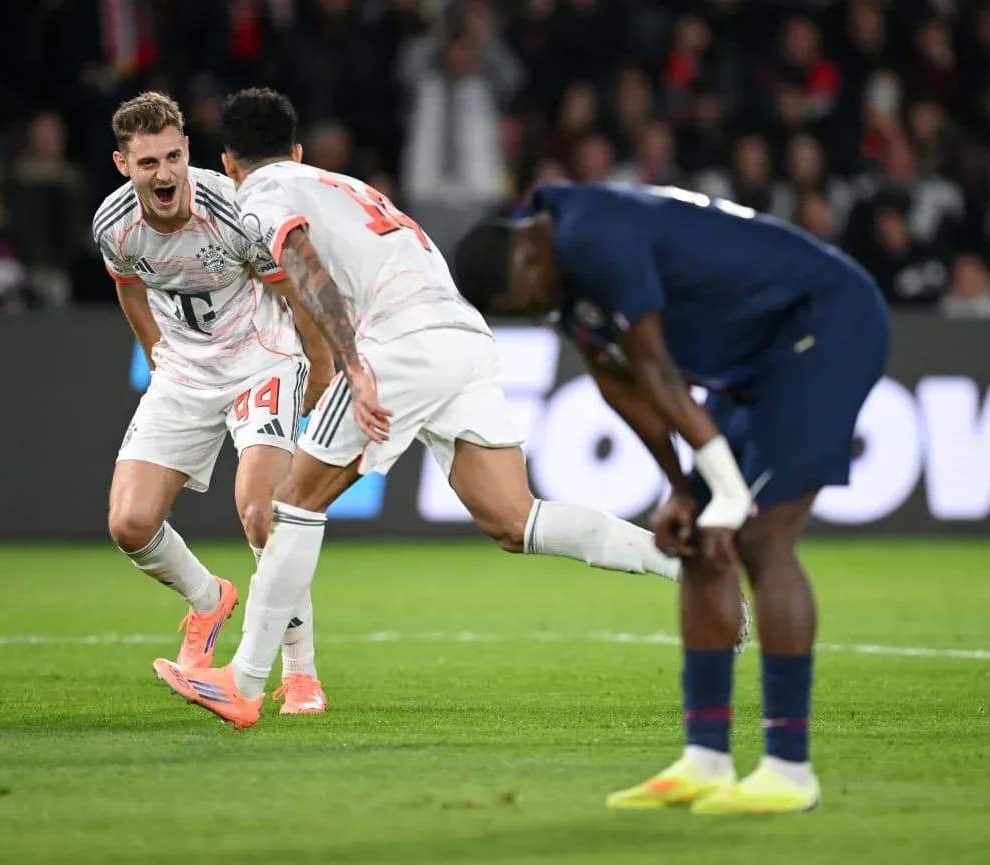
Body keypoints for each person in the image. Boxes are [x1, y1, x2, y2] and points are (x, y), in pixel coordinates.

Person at [150, 87, 735, 730]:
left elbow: (301, 260)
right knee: (516, 520)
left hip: (397, 343)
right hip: (462, 336)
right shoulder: (343, 186)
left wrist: (350, 363)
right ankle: (691, 568)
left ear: (228, 164)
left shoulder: (260, 194)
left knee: (292, 503)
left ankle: (245, 681)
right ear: (296, 149)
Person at [453, 182, 890, 814]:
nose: (533, 312)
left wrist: (729, 494)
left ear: (529, 259)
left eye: (526, 304)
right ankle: (706, 759)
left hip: (826, 325)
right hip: (756, 361)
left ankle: (789, 770)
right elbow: (618, 381)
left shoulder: (590, 236)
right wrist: (682, 490)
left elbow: (655, 367)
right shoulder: (553, 262)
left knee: (760, 539)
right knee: (697, 544)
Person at [93, 91, 334, 714]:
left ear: (187, 152)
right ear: (124, 164)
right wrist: (155, 352)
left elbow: (297, 288)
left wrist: (323, 366)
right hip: (185, 373)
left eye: (173, 157)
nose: (164, 174)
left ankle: (301, 674)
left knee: (261, 513)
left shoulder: (232, 212)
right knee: (129, 523)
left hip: (261, 357)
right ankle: (208, 599)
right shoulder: (113, 224)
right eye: (148, 163)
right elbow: (130, 288)